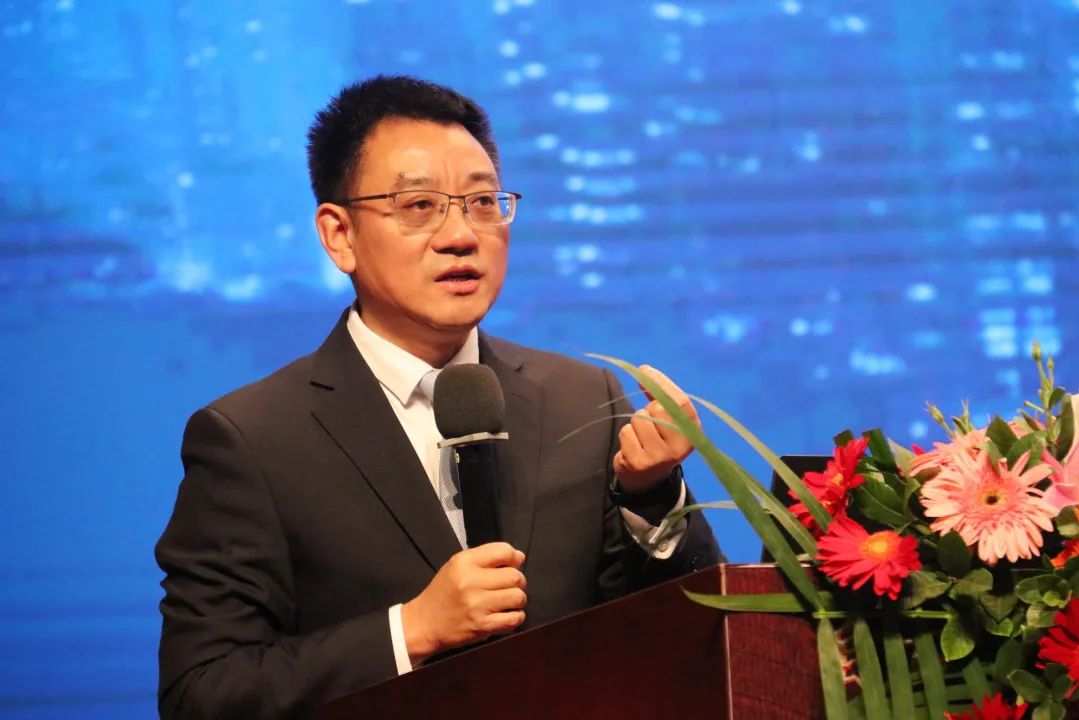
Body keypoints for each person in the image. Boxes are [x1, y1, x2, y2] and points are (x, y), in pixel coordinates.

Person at [155, 75, 721, 720]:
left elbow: (685, 638)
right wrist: (411, 630)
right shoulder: (252, 439)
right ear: (339, 235)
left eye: (482, 202)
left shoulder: (580, 397)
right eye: (419, 205)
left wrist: (651, 496)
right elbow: (202, 693)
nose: (461, 235)